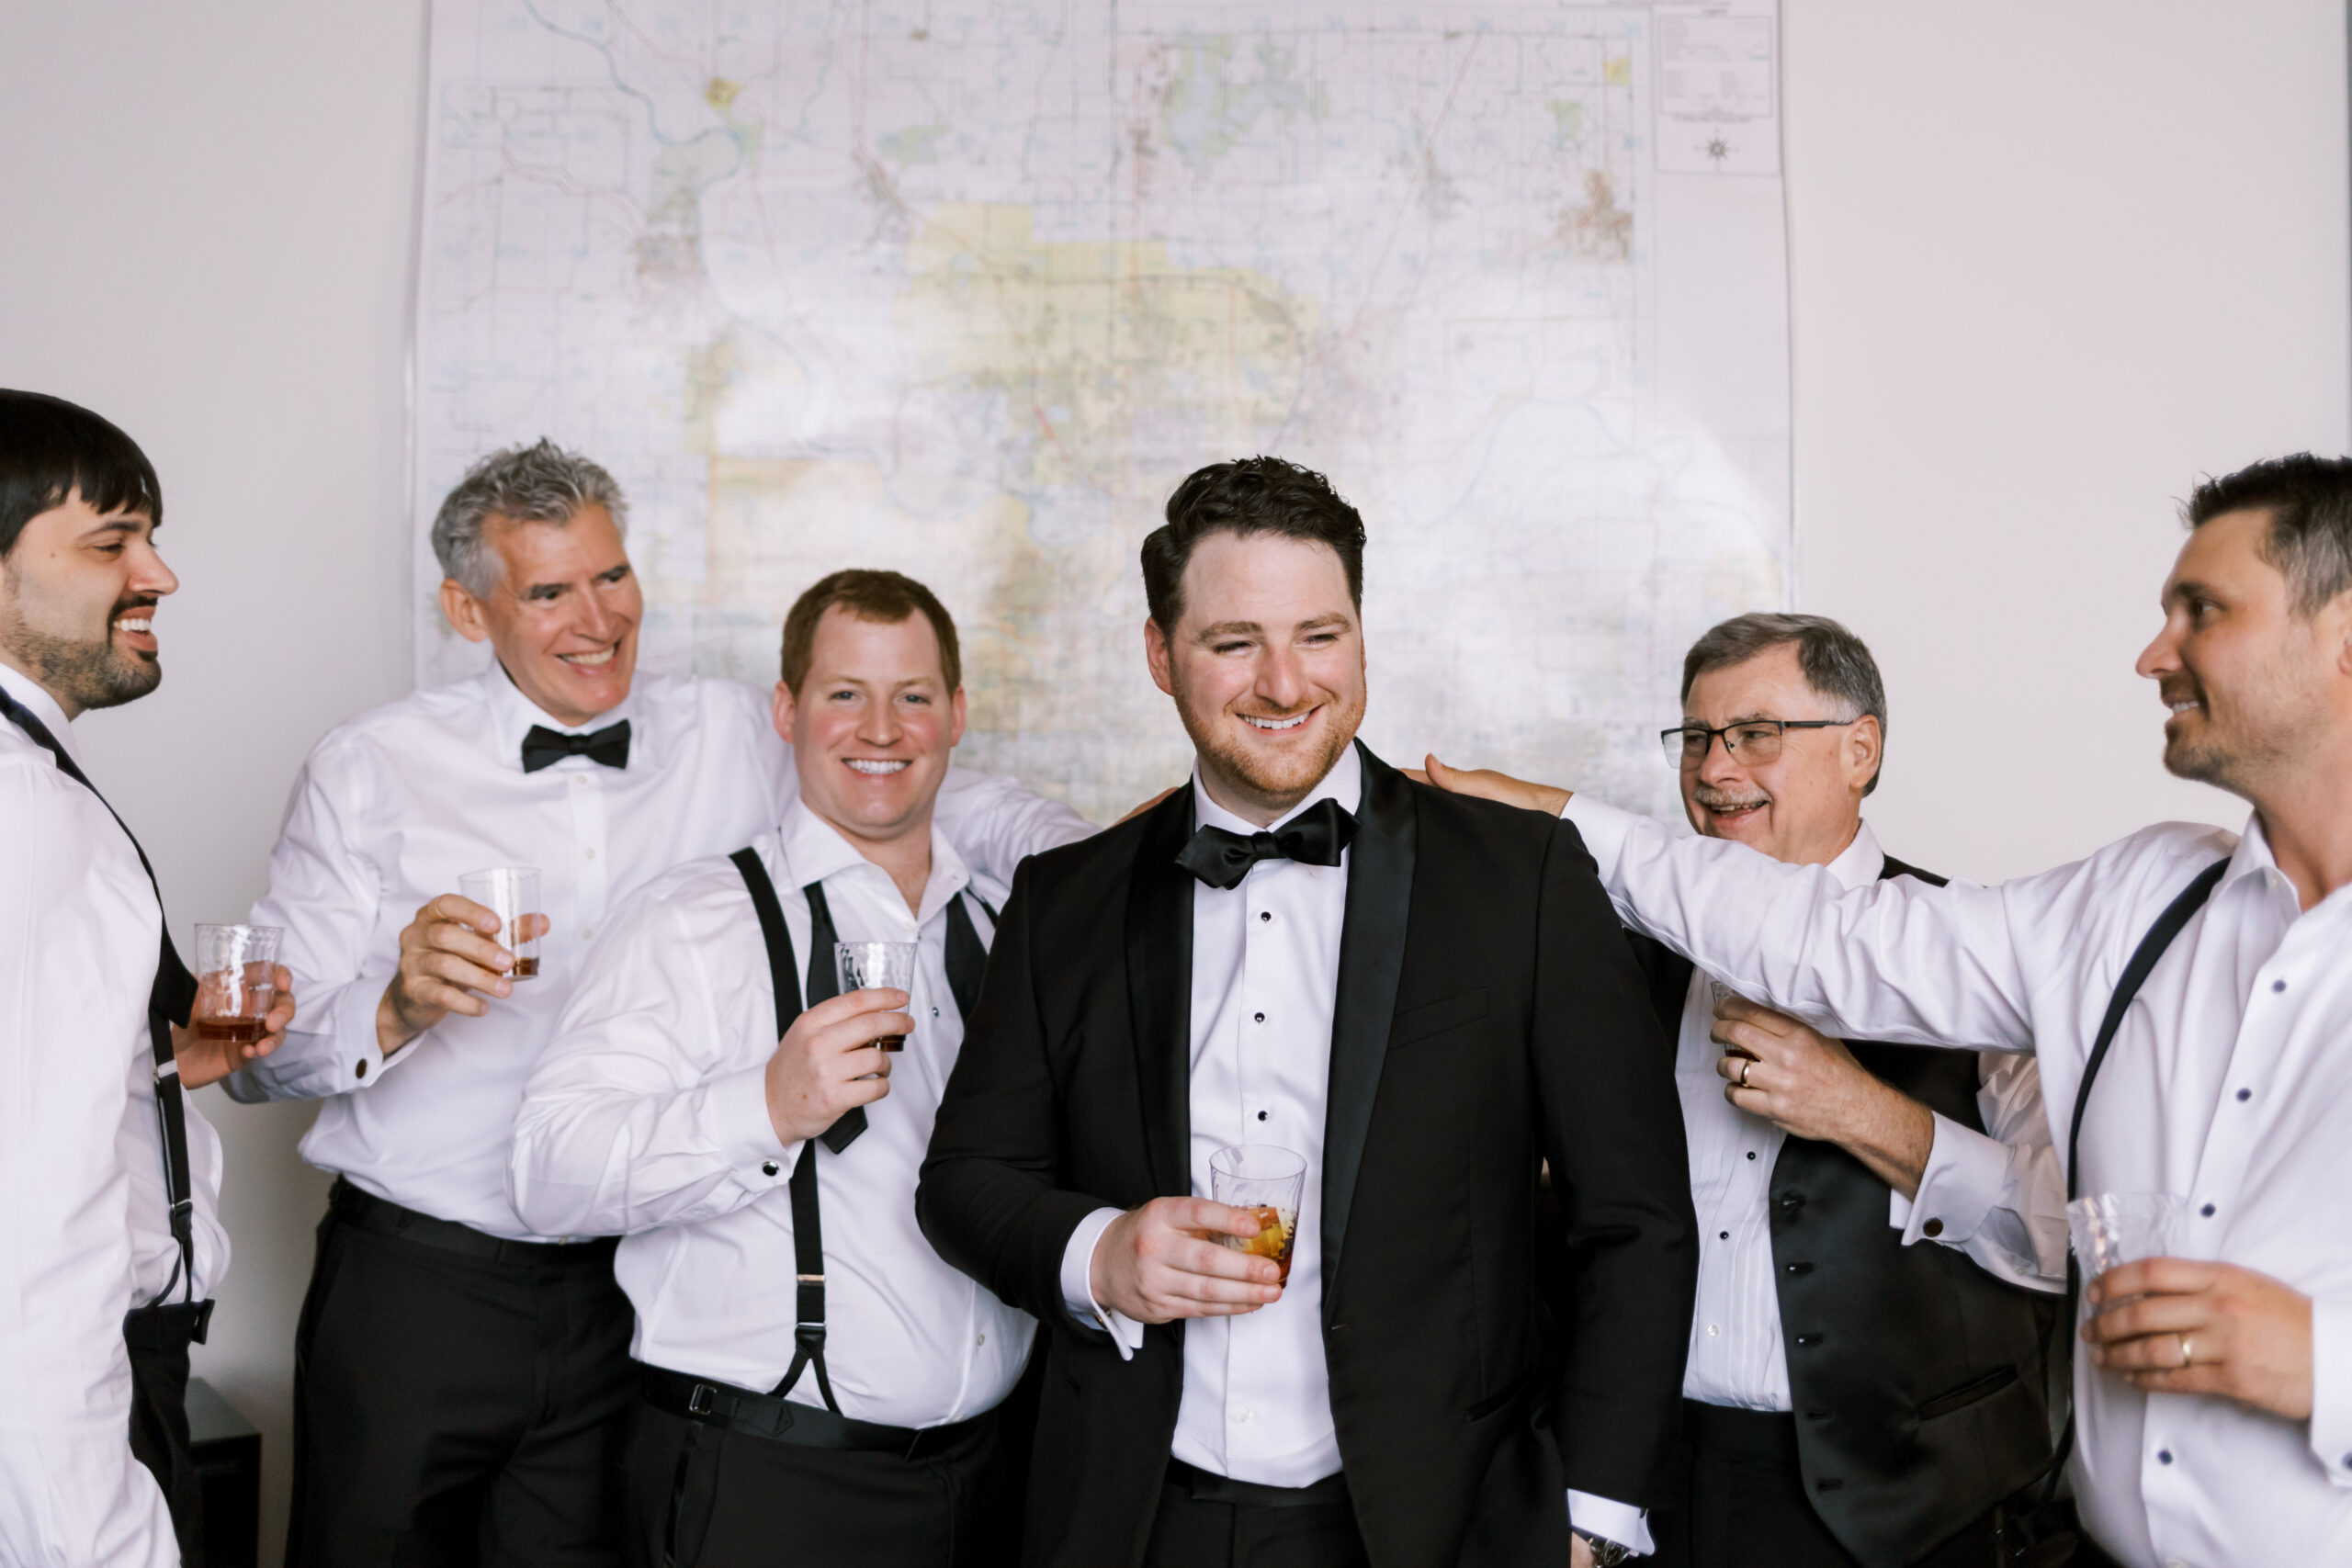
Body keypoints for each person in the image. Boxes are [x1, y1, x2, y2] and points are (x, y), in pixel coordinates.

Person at [1426, 452, 2352, 1567]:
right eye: (1701, 738)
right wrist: (1546, 818)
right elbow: (1819, 941)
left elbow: (2043, 1237)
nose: (2152, 654)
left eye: (2201, 611)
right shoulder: (2139, 903)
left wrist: (2325, 1364)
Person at [226, 442, 1091, 1566]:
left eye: (611, 577)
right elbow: (254, 1054)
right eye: (548, 591)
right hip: (425, 1287)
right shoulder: (369, 767)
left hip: (633, 1288)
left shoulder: (739, 727)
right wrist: (391, 1008)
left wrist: (1139, 856)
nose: (598, 619)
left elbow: (928, 788)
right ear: (466, 607)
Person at [917, 456, 1698, 1568]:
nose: (1284, 684)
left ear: (1362, 638)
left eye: (1319, 636)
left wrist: (1594, 1519)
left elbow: (1636, 1218)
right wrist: (1100, 1257)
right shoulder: (1065, 898)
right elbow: (963, 1181)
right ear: (1160, 655)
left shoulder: (1518, 877)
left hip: (1447, 1523)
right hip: (1134, 1522)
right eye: (1235, 642)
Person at [513, 569, 1069, 1567]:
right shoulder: (691, 921)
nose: (882, 728)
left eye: (913, 696)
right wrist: (764, 1106)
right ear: (787, 711)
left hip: (994, 1484)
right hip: (768, 1491)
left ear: (956, 715)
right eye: (843, 693)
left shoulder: (1007, 926)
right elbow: (548, 1176)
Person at [1613, 611, 2065, 1568]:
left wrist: (1858, 1111)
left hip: (1914, 1521)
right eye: (1695, 738)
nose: (1713, 769)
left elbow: (2061, 1237)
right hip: (1655, 1501)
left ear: (1860, 750)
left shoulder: (1979, 954)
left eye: (1754, 735)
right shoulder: (1620, 964)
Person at [0, 390, 295, 1567]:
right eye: (112, 541)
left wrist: (148, 1067)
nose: (161, 575)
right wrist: (106, 1540)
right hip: (74, 1424)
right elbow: (33, 1240)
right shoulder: (31, 813)